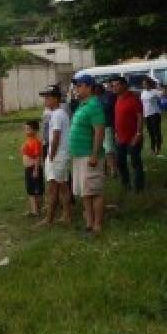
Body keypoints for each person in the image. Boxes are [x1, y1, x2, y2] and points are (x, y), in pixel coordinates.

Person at [69, 73, 106, 234]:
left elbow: (99, 132)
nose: (77, 88)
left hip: (89, 155)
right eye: (76, 85)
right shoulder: (82, 105)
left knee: (94, 191)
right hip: (79, 155)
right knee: (85, 192)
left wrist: (94, 155)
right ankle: (89, 223)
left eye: (80, 85)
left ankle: (97, 224)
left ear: (89, 87)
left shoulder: (94, 105)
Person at [38, 85, 73, 226]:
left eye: (47, 98)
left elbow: (56, 136)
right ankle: (66, 215)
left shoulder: (58, 114)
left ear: (55, 99)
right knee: (62, 186)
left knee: (54, 187)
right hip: (59, 154)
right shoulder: (58, 113)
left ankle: (49, 218)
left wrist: (51, 155)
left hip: (58, 155)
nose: (45, 101)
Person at [111, 75, 145, 191]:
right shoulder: (118, 99)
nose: (114, 87)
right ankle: (126, 185)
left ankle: (138, 187)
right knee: (120, 163)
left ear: (124, 85)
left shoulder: (133, 99)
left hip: (133, 138)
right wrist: (116, 134)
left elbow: (140, 117)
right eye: (113, 85)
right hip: (120, 139)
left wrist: (138, 134)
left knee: (135, 163)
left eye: (117, 85)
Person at [21, 120, 44, 216]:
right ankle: (34, 209)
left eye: (28, 129)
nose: (26, 131)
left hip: (33, 168)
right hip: (28, 168)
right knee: (30, 190)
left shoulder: (35, 142)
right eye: (25, 129)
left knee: (35, 190)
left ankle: (36, 210)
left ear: (35, 130)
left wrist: (36, 169)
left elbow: (38, 157)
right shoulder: (28, 141)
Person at [96, 82, 118, 180]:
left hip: (108, 125)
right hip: (97, 126)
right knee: (100, 148)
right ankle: (103, 170)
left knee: (109, 149)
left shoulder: (109, 96)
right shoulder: (94, 98)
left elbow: (109, 108)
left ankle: (113, 169)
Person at [141, 77, 164, 156]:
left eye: (145, 84)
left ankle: (158, 148)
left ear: (149, 84)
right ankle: (152, 149)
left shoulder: (154, 91)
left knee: (156, 132)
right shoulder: (143, 93)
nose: (144, 85)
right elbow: (143, 104)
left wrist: (160, 86)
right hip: (147, 115)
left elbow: (164, 93)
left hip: (155, 114)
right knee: (150, 133)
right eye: (143, 84)